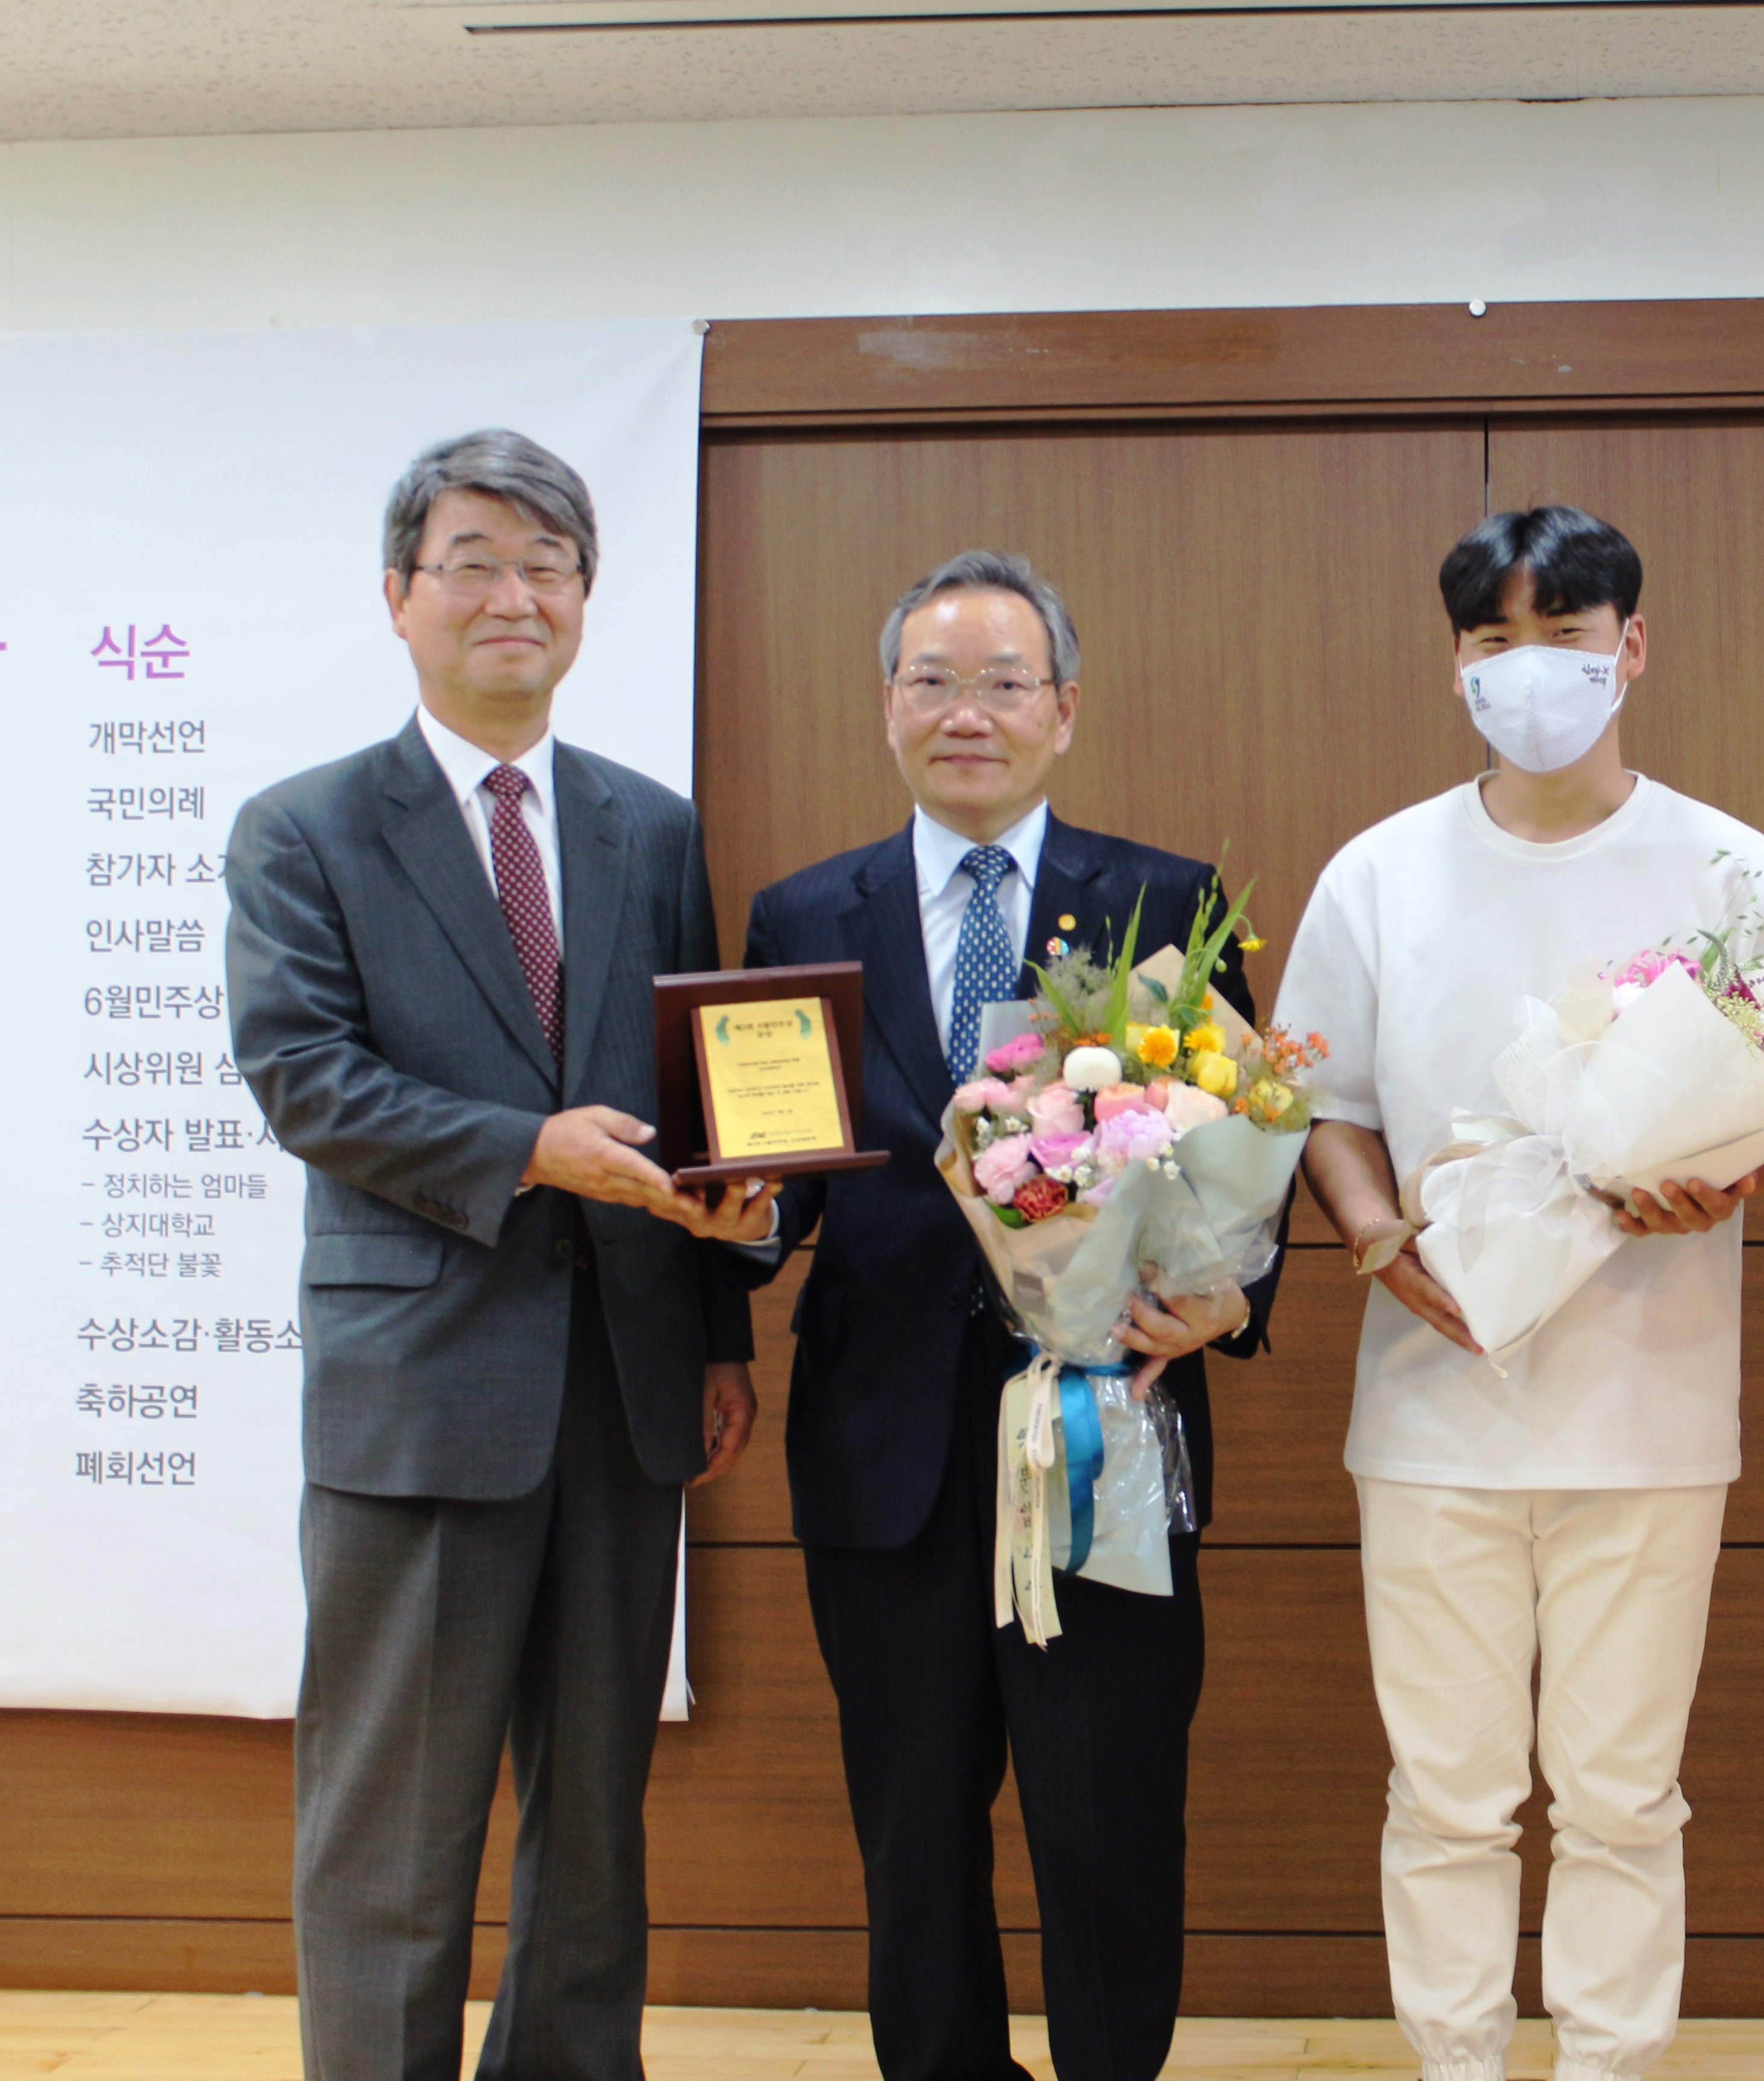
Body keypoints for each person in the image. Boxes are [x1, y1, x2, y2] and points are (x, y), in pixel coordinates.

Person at [227, 429, 780, 2081]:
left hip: (625, 1392)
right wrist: (524, 1152)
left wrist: (723, 1320)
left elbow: (694, 1099)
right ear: (400, 596)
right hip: (422, 1388)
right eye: (472, 561)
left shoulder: (649, 828)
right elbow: (305, 1076)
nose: (511, 596)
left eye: (546, 566)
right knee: (395, 1825)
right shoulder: (305, 827)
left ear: (588, 604)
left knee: (596, 1818)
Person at [1272, 506, 1764, 2081]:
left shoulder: (1736, 870)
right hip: (1435, 1400)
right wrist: (1383, 1244)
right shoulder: (1382, 872)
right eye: (1497, 639)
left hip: (1650, 1408)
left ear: (1632, 648)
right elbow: (1325, 1101)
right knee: (1444, 1794)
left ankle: (1609, 2064)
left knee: (1622, 1795)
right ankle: (1455, 2064)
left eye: (1568, 636)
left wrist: (1720, 1178)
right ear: (1456, 662)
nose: (1535, 671)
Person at [727, 550, 1275, 2081]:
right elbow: (788, 1188)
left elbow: (1246, 1137)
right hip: (884, 1445)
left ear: (1065, 709)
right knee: (913, 1827)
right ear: (889, 705)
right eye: (933, 681)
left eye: (1003, 682)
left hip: (1107, 1425)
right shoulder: (800, 913)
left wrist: (1219, 1300)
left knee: (1109, 1816)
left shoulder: (1170, 900)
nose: (967, 712)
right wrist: (744, 1224)